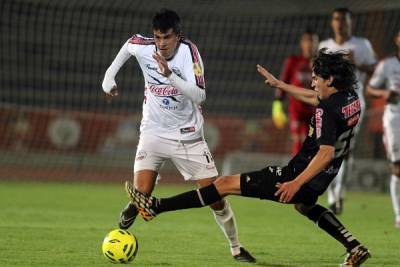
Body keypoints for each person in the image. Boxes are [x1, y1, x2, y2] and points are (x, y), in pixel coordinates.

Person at [126, 49, 371, 266]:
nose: (312, 83)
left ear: (330, 79)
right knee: (304, 205)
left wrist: (295, 183)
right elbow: (315, 99)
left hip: (299, 175)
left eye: (317, 78)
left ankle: (156, 207)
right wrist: (281, 85)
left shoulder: (326, 111)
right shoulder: (350, 99)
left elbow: (325, 153)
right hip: (323, 178)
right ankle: (355, 247)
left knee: (222, 185)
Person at [101, 9, 255, 262]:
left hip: (188, 136)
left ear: (178, 36)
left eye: (167, 38)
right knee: (142, 194)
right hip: (152, 131)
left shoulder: (189, 54)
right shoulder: (145, 47)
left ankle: (236, 248)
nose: (162, 44)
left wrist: (169, 75)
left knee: (215, 197)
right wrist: (109, 77)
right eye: (158, 37)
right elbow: (129, 45)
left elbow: (200, 95)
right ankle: (136, 204)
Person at [319, 7, 376, 214]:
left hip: (353, 101)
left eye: (343, 19)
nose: (340, 23)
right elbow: (318, 75)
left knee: (346, 151)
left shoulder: (362, 45)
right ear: (332, 23)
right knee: (328, 149)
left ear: (350, 22)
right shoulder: (325, 46)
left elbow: (374, 69)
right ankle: (333, 194)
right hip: (330, 102)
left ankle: (338, 195)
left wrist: (356, 63)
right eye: (336, 19)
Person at [367, 30, 400, 228]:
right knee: (397, 169)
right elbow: (370, 89)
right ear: (397, 39)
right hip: (395, 118)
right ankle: (399, 215)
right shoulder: (387, 65)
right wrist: (385, 93)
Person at [273, 30, 318, 156]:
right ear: (301, 43)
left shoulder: (320, 63)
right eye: (307, 40)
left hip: (314, 109)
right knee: (298, 141)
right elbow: (282, 81)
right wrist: (277, 104)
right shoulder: (293, 61)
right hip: (297, 109)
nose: (309, 44)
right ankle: (296, 172)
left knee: (311, 143)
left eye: (312, 41)